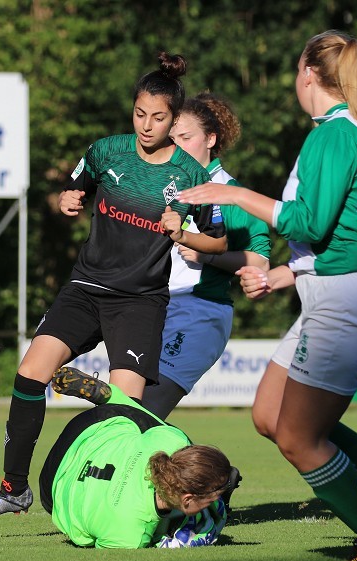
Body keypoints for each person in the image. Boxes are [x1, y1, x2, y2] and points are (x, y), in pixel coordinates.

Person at [178, 30, 357, 561]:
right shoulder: (335, 132)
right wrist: (286, 273)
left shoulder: (334, 134)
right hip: (332, 292)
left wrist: (234, 194)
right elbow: (331, 235)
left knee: (298, 437)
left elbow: (312, 222)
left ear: (308, 73)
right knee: (270, 415)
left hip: (350, 300)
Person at [0, 52, 227, 525]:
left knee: (126, 414)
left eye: (159, 117)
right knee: (29, 375)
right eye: (140, 113)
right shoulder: (106, 150)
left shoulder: (190, 175)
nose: (147, 125)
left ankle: (190, 493)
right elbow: (75, 184)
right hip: (84, 288)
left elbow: (218, 239)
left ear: (174, 118)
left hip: (139, 302)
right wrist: (68, 196)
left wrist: (181, 232)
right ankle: (13, 489)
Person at [141, 92, 271, 419]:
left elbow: (261, 263)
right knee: (124, 413)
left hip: (199, 312)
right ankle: (210, 471)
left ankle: (210, 471)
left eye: (186, 137)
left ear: (210, 139)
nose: (176, 146)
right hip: (150, 308)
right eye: (171, 139)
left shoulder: (231, 194)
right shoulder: (164, 188)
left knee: (144, 413)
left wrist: (207, 257)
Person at [39, 366, 235, 548]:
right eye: (211, 499)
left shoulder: (170, 444)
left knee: (168, 433)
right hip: (52, 488)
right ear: (187, 499)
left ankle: (113, 396)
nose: (213, 502)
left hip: (91, 426)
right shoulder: (131, 536)